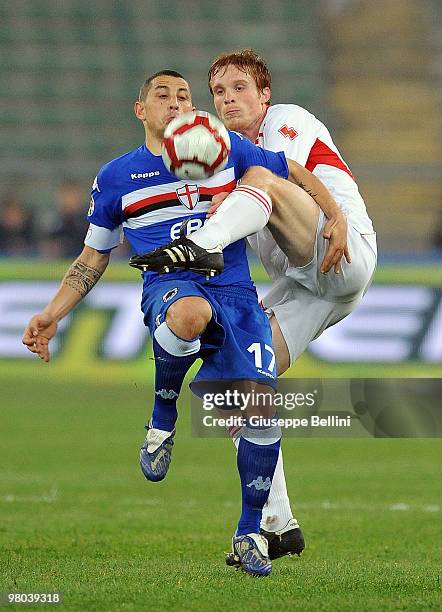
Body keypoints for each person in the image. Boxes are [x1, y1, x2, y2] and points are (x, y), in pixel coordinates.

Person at [21, 70, 338, 577]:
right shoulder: (118, 176)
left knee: (260, 410)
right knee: (192, 314)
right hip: (170, 286)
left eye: (184, 95)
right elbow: (92, 258)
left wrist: (335, 216)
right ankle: (163, 415)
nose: (175, 102)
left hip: (236, 293)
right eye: (162, 96)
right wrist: (52, 314)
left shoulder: (226, 149)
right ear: (140, 110)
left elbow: (292, 171)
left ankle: (250, 530)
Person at [132, 49, 377, 566]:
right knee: (238, 392)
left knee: (263, 181)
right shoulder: (223, 153)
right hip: (305, 284)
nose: (229, 98)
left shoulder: (286, 121)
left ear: (264, 94)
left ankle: (200, 245)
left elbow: (281, 177)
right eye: (219, 92)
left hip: (340, 252)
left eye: (240, 87)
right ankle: (277, 526)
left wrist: (331, 213)